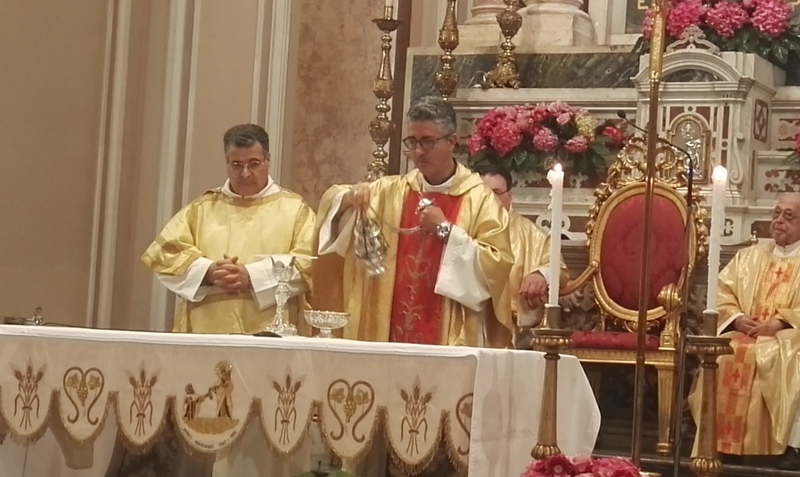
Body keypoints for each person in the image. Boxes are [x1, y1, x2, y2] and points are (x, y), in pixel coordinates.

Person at [315, 96, 514, 348]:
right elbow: (332, 203)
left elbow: (496, 266)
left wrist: (445, 230)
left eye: (427, 141)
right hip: (388, 332)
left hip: (448, 337)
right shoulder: (392, 191)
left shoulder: (479, 199)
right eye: (412, 142)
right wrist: (350, 197)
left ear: (452, 141)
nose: (418, 152)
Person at [142, 123, 315, 334]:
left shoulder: (295, 210)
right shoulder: (201, 209)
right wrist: (209, 272)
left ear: (268, 161)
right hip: (206, 329)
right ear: (226, 162)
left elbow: (310, 263)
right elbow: (167, 255)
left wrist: (252, 276)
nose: (245, 173)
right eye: (236, 164)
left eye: (254, 164)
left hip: (272, 331)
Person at [690, 192, 800, 467]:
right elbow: (721, 292)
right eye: (776, 213)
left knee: (776, 357)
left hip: (787, 336)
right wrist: (738, 318)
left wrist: (781, 322)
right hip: (745, 333)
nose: (779, 221)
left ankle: (783, 446)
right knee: (725, 352)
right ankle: (717, 442)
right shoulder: (748, 256)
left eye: (789, 216)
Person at [477, 166, 569, 344]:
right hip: (470, 324)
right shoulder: (463, 228)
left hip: (512, 332)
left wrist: (540, 274)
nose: (489, 198)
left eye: (496, 192)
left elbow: (560, 269)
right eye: (483, 193)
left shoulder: (530, 233)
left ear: (510, 196)